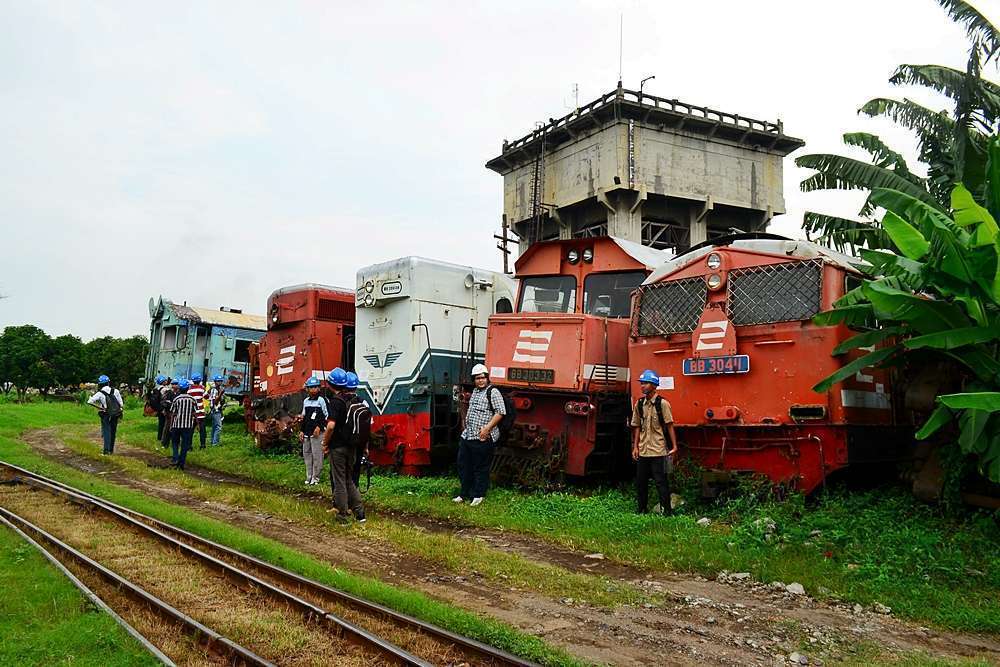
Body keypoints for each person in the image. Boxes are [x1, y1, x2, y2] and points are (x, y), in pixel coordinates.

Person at [454, 363, 505, 507]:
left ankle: (478, 495)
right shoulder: (476, 391)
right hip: (469, 435)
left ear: (487, 378)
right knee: (464, 465)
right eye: (477, 378)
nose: (480, 381)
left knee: (480, 466)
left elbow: (500, 412)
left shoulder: (493, 392)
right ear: (474, 380)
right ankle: (464, 493)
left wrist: (487, 429)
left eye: (482, 378)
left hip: (483, 436)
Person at [630, 369, 678, 515]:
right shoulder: (639, 404)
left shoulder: (663, 404)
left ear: (654, 385)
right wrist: (635, 446)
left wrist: (674, 446)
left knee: (661, 482)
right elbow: (637, 426)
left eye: (646, 383)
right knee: (641, 482)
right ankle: (641, 510)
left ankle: (666, 511)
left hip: (658, 449)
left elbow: (670, 425)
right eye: (642, 383)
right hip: (643, 449)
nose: (642, 386)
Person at [322, 367, 365, 523]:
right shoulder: (353, 400)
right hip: (352, 446)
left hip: (338, 447)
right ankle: (360, 514)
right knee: (349, 480)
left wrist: (324, 443)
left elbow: (331, 426)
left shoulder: (336, 402)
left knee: (339, 480)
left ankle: (342, 515)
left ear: (330, 384)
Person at [342, 371, 371, 490]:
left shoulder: (340, 402)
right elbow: (367, 426)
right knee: (356, 469)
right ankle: (355, 492)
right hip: (358, 441)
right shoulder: (363, 402)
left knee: (342, 471)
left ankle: (342, 498)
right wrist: (366, 446)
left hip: (343, 442)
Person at [300, 377, 331, 486]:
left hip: (318, 433)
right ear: (307, 389)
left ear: (319, 388)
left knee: (317, 455)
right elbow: (304, 417)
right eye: (311, 387)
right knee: (307, 455)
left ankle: (316, 478)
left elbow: (327, 416)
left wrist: (320, 427)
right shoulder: (306, 401)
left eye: (315, 387)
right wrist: (301, 431)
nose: (313, 389)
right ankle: (308, 477)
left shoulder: (322, 400)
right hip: (307, 433)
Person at [87, 375, 124, 455]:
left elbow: (89, 402)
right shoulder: (116, 391)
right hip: (115, 414)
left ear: (100, 384)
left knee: (107, 431)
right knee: (113, 431)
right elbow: (121, 404)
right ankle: (111, 450)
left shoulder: (100, 393)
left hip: (105, 414)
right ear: (108, 382)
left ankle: (106, 451)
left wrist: (100, 408)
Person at [169, 379, 197, 470]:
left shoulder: (176, 399)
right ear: (188, 388)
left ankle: (176, 458)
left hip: (177, 425)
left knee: (175, 443)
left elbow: (173, 413)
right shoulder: (192, 399)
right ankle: (182, 462)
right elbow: (194, 413)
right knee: (185, 445)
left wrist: (171, 425)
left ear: (179, 388)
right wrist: (197, 424)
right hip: (188, 425)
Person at [188, 374, 207, 449]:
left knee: (190, 430)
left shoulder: (189, 390)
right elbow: (207, 397)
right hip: (201, 413)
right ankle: (202, 445)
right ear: (199, 381)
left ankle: (189, 446)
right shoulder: (201, 388)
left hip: (192, 413)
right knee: (202, 430)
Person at [207, 374, 227, 446]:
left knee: (214, 426)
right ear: (215, 382)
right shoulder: (214, 390)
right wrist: (220, 394)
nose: (220, 382)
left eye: (221, 381)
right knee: (218, 427)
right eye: (218, 381)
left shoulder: (218, 389)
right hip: (216, 410)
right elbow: (215, 402)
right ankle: (215, 443)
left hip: (218, 410)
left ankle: (213, 441)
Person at [160, 378, 178, 448]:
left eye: (176, 384)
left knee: (176, 430)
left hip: (177, 414)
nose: (174, 386)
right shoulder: (169, 392)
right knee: (167, 429)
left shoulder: (179, 393)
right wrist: (165, 408)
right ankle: (164, 443)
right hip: (169, 413)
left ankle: (176, 443)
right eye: (173, 384)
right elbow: (164, 402)